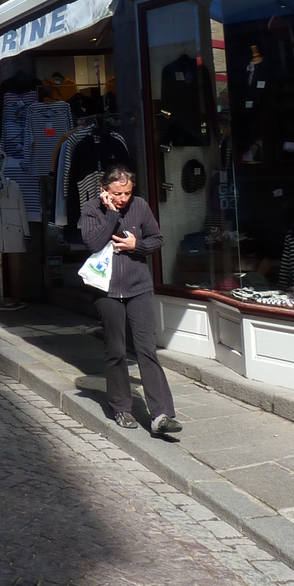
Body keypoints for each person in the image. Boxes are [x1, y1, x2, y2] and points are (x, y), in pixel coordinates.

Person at [81, 167, 181, 435]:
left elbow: (157, 240)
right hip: (106, 290)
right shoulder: (92, 209)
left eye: (126, 193)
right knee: (116, 350)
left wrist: (136, 246)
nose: (123, 198)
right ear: (105, 189)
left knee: (147, 348)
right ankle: (121, 408)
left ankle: (161, 414)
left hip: (139, 287)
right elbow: (92, 243)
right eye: (117, 193)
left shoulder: (140, 206)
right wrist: (112, 215)